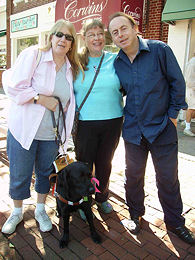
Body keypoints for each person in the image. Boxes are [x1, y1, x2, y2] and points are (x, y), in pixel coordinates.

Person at [108, 12, 195, 245]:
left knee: (167, 178)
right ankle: (135, 215)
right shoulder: (116, 63)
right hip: (134, 131)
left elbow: (177, 83)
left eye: (123, 28)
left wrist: (173, 117)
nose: (120, 35)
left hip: (162, 128)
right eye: (114, 32)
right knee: (132, 178)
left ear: (135, 27)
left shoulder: (159, 50)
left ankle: (175, 223)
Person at [2, 19, 82, 235]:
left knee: (45, 174)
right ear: (51, 36)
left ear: (72, 43)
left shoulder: (70, 67)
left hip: (51, 135)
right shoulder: (33, 55)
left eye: (68, 37)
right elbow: (11, 84)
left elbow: (69, 103)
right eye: (59, 34)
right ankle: (17, 212)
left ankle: (40, 210)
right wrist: (38, 98)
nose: (63, 39)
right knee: (20, 173)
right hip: (24, 131)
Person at [74, 19, 123, 219]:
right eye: (91, 34)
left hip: (113, 121)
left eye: (100, 34)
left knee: (105, 163)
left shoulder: (116, 60)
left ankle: (102, 197)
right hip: (85, 123)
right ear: (84, 38)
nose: (97, 38)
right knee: (84, 164)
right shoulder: (75, 62)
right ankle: (84, 201)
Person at [182, 53, 195, 136]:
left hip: (192, 87)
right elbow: (189, 78)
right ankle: (187, 128)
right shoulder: (193, 62)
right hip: (191, 88)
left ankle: (186, 122)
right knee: (191, 108)